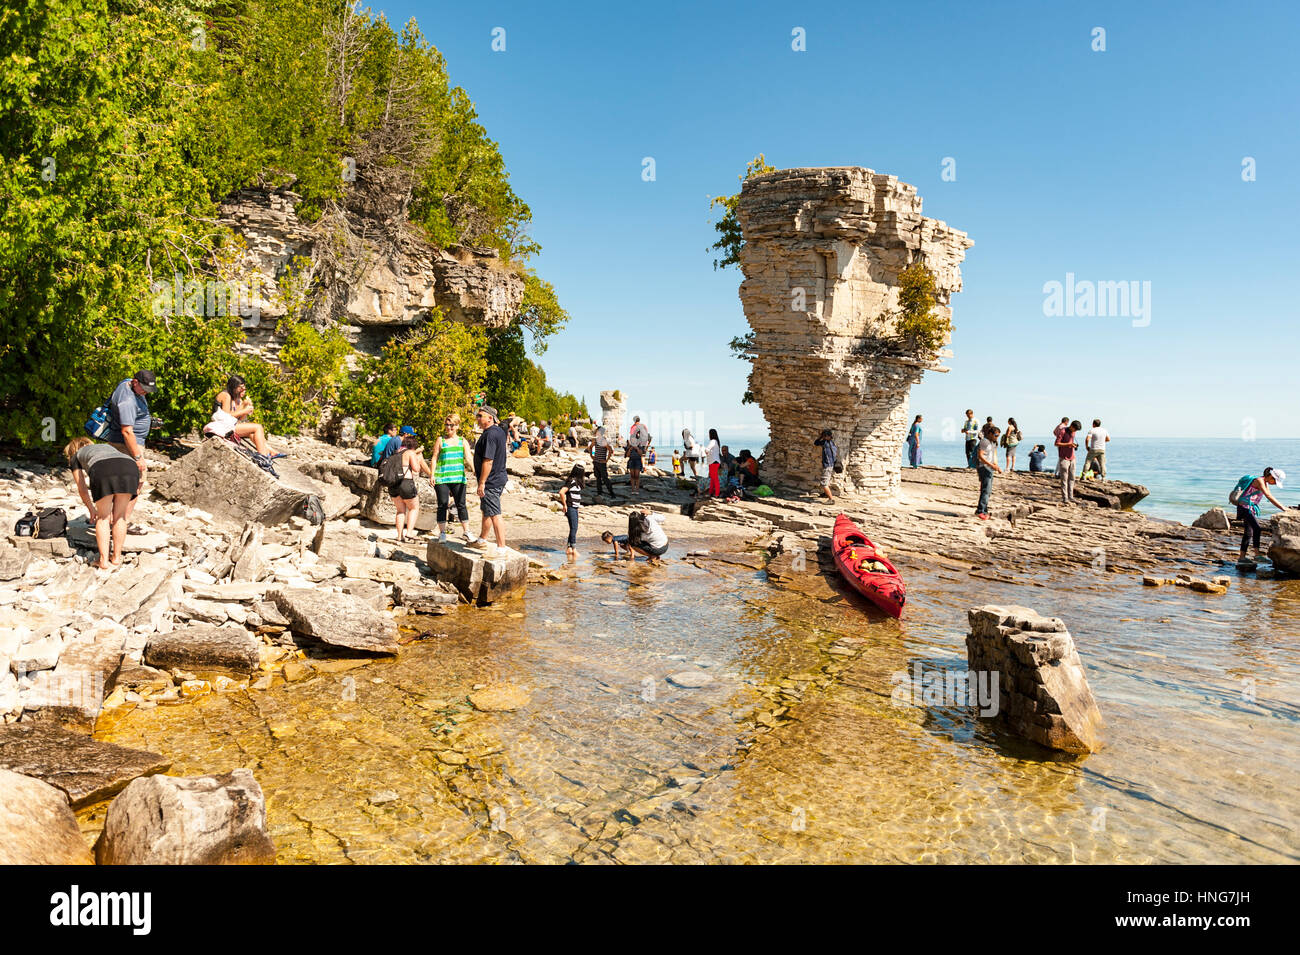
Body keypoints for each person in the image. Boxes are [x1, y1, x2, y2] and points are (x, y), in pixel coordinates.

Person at [64, 435, 139, 570]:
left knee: (103, 517)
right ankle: (116, 557)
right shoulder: (106, 447)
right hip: (130, 466)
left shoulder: (76, 456)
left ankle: (103, 560)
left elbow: (82, 488)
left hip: (103, 468)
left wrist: (92, 509)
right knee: (120, 517)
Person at [105, 370, 156, 528]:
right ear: (135, 382)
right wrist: (138, 458)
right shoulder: (127, 399)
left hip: (122, 442)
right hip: (127, 445)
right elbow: (127, 431)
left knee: (122, 483)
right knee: (135, 483)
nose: (146, 393)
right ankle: (122, 522)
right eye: (144, 389)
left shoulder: (125, 384)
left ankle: (114, 519)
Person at [431, 412, 478, 545]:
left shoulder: (462, 441)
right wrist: (432, 474)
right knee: (442, 505)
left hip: (458, 477)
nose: (449, 428)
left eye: (451, 425)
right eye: (447, 425)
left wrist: (475, 470)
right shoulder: (440, 440)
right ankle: (442, 533)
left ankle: (467, 532)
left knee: (461, 505)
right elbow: (434, 457)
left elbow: (468, 457)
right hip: (442, 477)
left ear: (457, 426)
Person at [472, 405, 509, 554]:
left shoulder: (490, 435)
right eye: (477, 416)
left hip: (491, 480)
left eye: (480, 416)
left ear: (490, 418)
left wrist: (482, 482)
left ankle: (501, 547)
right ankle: (482, 539)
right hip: (498, 477)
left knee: (494, 513)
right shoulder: (498, 431)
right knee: (487, 510)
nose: (478, 419)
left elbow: (488, 461)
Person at [207, 375, 272, 456]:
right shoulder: (225, 395)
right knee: (258, 427)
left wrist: (245, 408)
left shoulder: (235, 398)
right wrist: (244, 410)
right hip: (222, 426)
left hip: (228, 426)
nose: (243, 390)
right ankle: (264, 456)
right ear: (234, 386)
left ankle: (268, 453)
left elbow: (238, 419)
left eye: (244, 388)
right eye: (241, 388)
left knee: (252, 433)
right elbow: (226, 416)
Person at [1234, 468, 1287, 565]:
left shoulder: (1264, 482)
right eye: (1275, 481)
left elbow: (1270, 495)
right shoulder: (1259, 481)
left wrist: (1284, 507)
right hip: (1245, 508)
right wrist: (1283, 508)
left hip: (1248, 508)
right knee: (1257, 529)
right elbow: (1269, 496)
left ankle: (1242, 557)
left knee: (1248, 532)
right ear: (1271, 477)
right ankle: (1257, 555)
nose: (1275, 484)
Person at [388, 432, 430, 543]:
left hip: (393, 484)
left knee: (400, 511)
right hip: (405, 483)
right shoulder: (410, 452)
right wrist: (417, 459)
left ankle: (399, 536)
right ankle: (409, 533)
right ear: (412, 446)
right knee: (414, 508)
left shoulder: (396, 452)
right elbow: (416, 469)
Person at [975, 426, 1003, 520]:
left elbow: (992, 455)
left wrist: (996, 466)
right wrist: (991, 465)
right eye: (995, 435)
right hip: (983, 467)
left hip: (989, 467)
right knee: (986, 490)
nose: (996, 437)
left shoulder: (993, 442)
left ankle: (984, 510)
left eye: (998, 436)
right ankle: (980, 511)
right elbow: (980, 456)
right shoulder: (984, 441)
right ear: (990, 433)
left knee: (988, 490)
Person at [557, 464, 584, 558]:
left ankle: (569, 549)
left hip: (575, 507)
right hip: (570, 507)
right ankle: (574, 549)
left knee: (573, 527)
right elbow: (561, 492)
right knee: (574, 528)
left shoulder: (576, 482)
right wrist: (564, 505)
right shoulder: (571, 481)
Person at [1055, 420, 1081, 504]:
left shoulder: (1073, 433)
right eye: (1075, 429)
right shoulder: (1063, 431)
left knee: (1072, 478)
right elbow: (1056, 443)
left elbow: (1070, 442)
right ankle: (1065, 498)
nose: (1075, 431)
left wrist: (1073, 445)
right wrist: (1068, 444)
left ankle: (1071, 497)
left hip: (1072, 457)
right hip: (1064, 458)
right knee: (1064, 479)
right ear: (1072, 426)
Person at [589, 427, 618, 498]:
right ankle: (599, 493)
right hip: (596, 462)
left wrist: (607, 459)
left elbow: (610, 450)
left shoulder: (603, 441)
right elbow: (590, 447)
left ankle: (612, 493)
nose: (596, 432)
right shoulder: (595, 440)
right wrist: (591, 456)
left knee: (605, 478)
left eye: (597, 431)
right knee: (598, 478)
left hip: (602, 463)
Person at [814, 429, 838, 501]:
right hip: (831, 464)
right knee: (827, 481)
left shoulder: (825, 443)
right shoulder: (832, 443)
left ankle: (831, 499)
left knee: (824, 483)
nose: (824, 437)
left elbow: (816, 443)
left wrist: (820, 437)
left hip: (828, 465)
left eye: (825, 436)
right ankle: (825, 494)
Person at [704, 428, 722, 497]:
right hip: (714, 461)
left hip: (713, 461)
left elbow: (707, 449)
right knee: (713, 478)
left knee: (715, 478)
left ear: (711, 434)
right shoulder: (716, 441)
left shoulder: (713, 441)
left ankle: (716, 494)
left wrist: (706, 452)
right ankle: (711, 492)